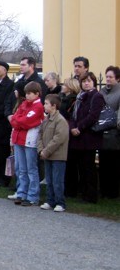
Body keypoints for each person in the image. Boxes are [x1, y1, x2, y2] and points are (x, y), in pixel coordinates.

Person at [67, 72, 105, 203]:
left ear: (94, 82)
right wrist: (72, 127)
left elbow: (93, 116)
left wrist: (79, 128)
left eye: (89, 81)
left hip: (89, 137)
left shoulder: (97, 96)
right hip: (76, 137)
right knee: (80, 167)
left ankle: (90, 195)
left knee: (88, 168)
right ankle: (82, 192)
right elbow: (73, 115)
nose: (86, 83)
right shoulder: (80, 97)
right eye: (84, 81)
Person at [10, 81, 45, 206]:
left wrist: (18, 121)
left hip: (30, 140)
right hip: (18, 139)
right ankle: (21, 192)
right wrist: (18, 121)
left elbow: (27, 121)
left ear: (37, 94)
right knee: (20, 168)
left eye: (30, 93)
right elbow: (14, 118)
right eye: (26, 93)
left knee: (31, 169)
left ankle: (33, 195)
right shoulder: (24, 104)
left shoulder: (38, 107)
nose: (27, 96)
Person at [38, 94, 70, 212]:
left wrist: (46, 151)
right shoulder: (46, 119)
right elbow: (40, 134)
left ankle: (60, 202)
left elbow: (58, 139)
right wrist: (41, 149)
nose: (44, 105)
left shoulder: (60, 120)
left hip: (57, 156)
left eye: (46, 103)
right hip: (47, 155)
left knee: (57, 180)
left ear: (54, 106)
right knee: (49, 180)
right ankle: (50, 200)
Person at [98, 66, 120, 199]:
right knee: (103, 163)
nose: (108, 79)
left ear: (117, 78)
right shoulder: (102, 92)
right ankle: (104, 190)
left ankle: (113, 192)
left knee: (114, 164)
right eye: (107, 77)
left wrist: (111, 120)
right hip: (102, 132)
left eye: (111, 77)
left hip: (114, 133)